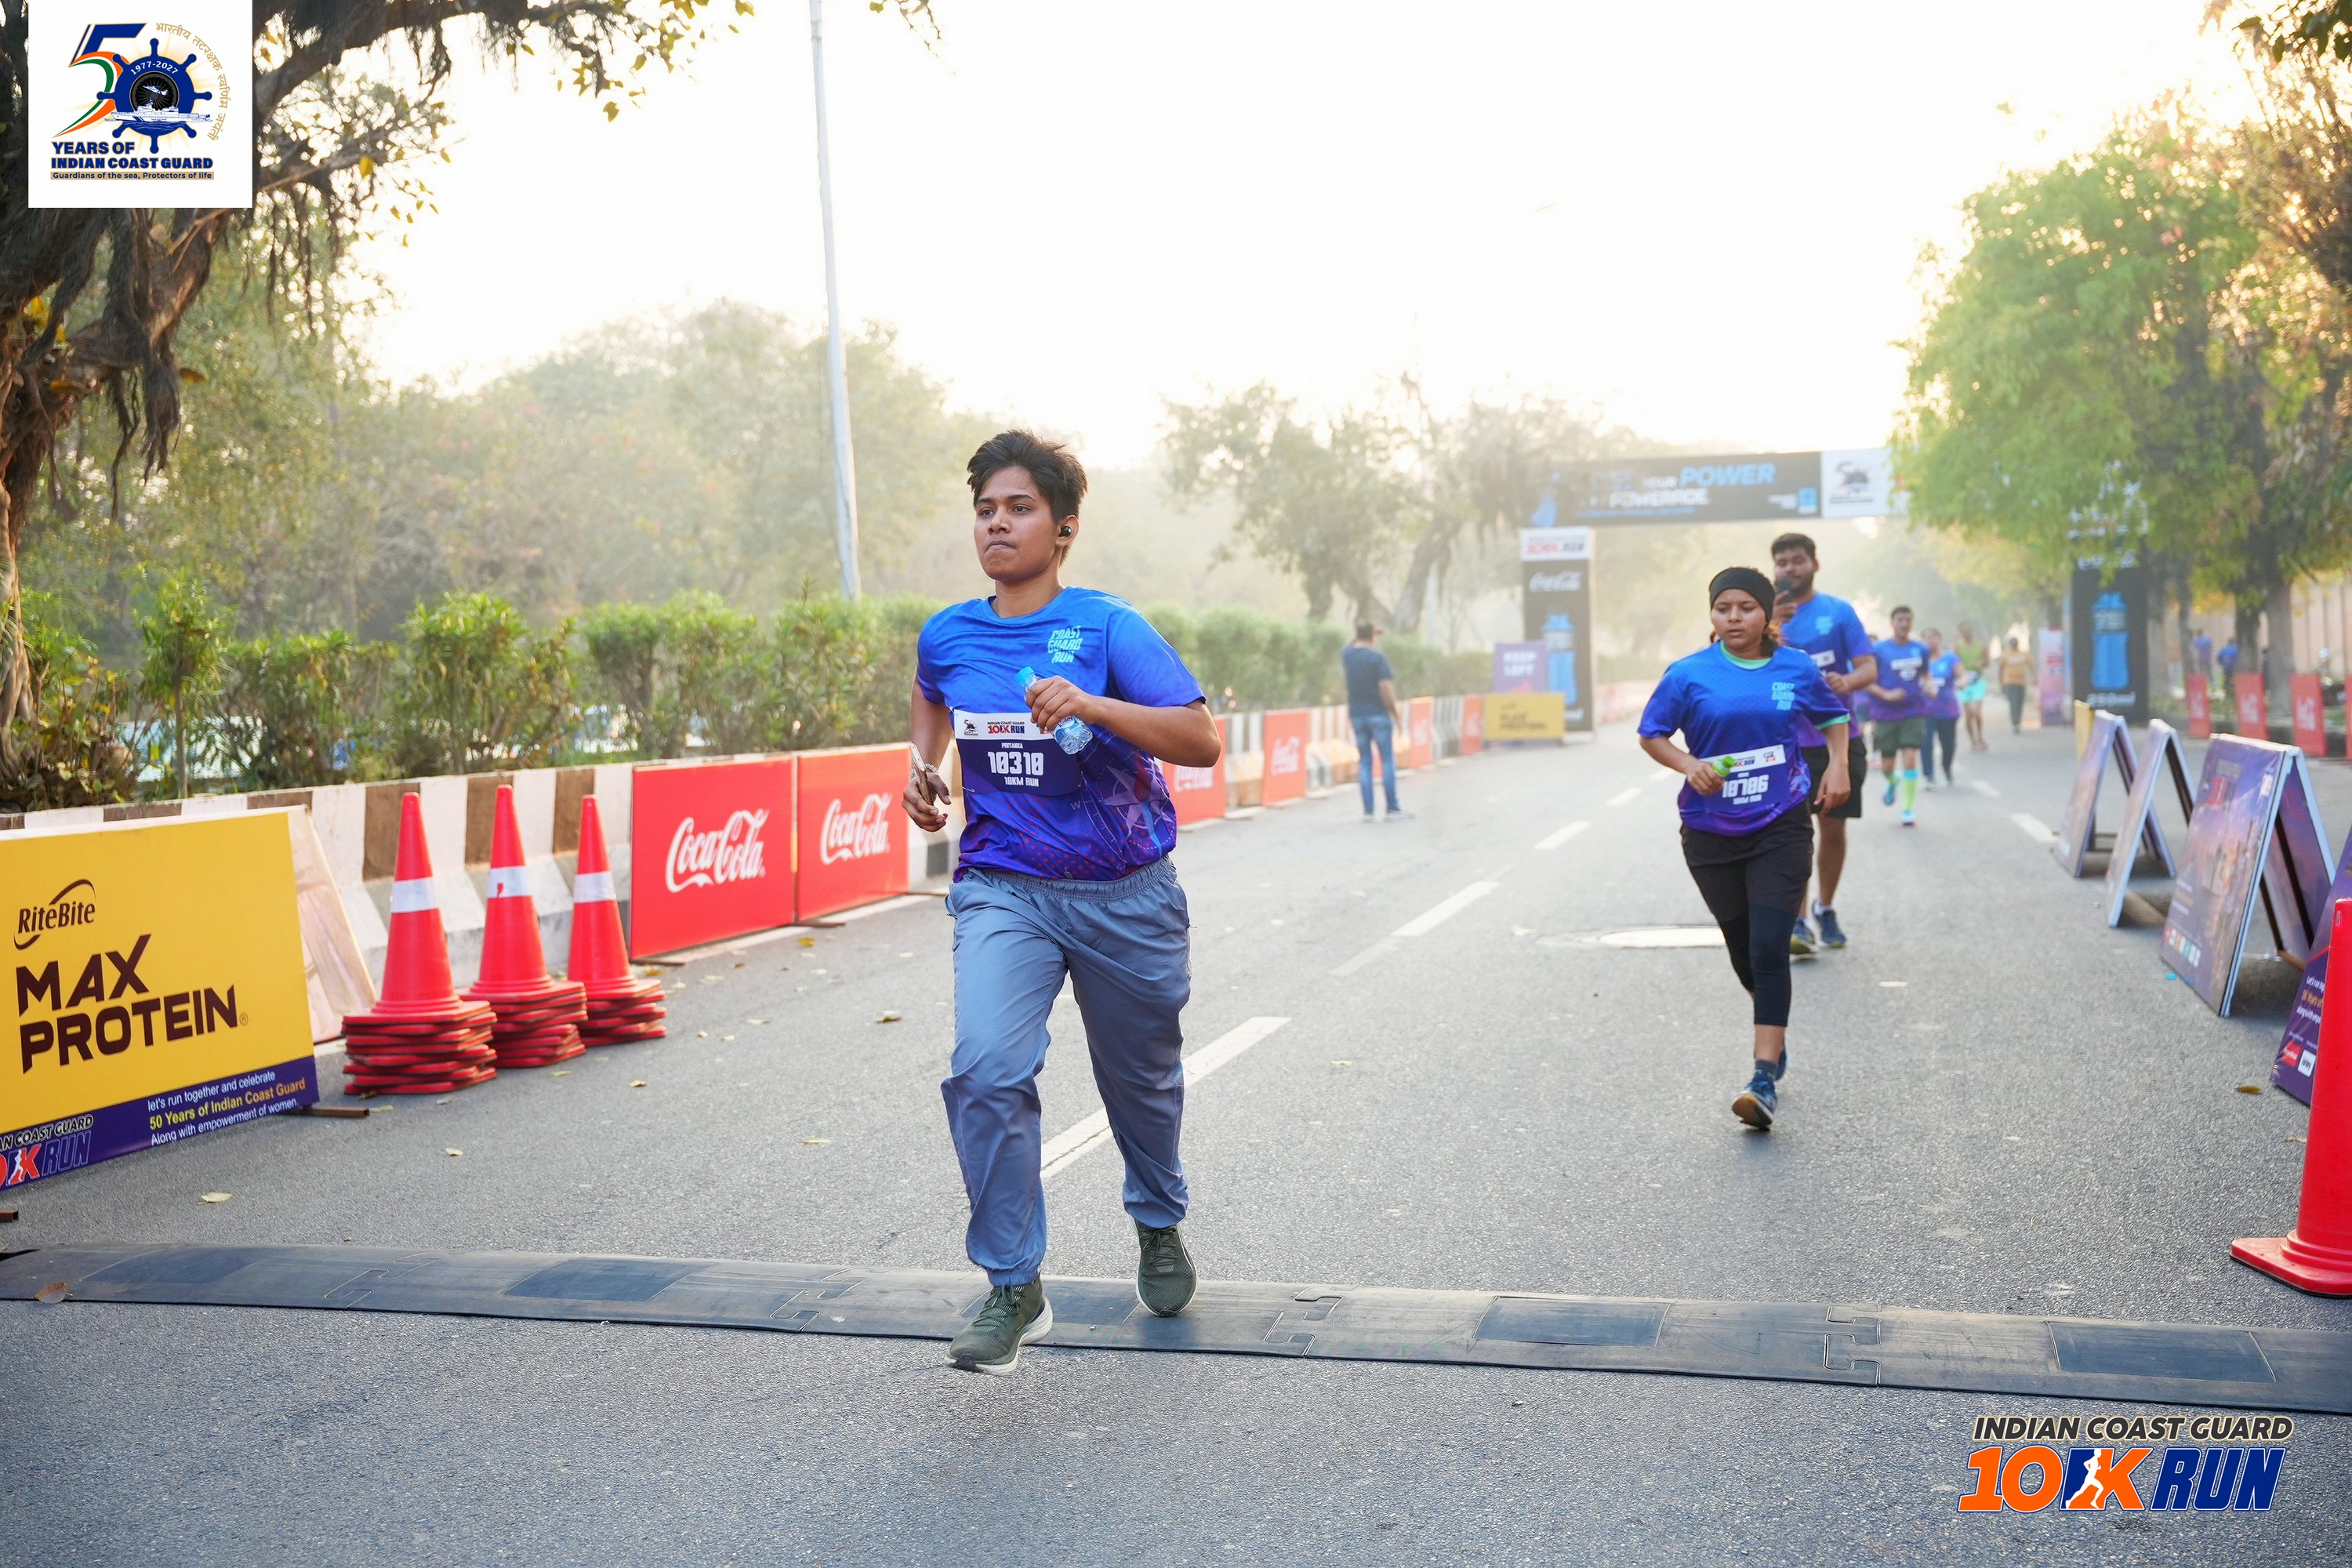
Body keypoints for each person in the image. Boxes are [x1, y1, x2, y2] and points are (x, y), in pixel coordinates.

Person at [903, 430, 1225, 1377]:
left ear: (1066, 527)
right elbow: (930, 693)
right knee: (985, 1067)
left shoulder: (1109, 626)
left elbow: (1200, 739)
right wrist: (923, 769)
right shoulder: (949, 632)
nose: (996, 525)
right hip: (1004, 885)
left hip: (1126, 892)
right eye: (985, 510)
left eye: (1020, 508)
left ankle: (1157, 1218)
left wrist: (1091, 704)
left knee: (1142, 1082)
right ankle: (1014, 1283)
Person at [1639, 567, 1851, 1131]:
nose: (1734, 618)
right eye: (1723, 608)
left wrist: (1838, 765)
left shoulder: (1796, 668)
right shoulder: (1688, 674)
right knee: (1743, 952)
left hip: (1781, 823)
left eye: (1746, 608)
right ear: (1712, 615)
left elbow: (1833, 716)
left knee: (1768, 947)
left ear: (1766, 614)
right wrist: (1689, 764)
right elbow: (1652, 733)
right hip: (1710, 831)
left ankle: (1762, 1078)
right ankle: (1773, 1031)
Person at [1767, 533, 1875, 954]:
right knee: (1793, 835)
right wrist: (1772, 623)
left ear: (1815, 564)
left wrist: (1846, 682)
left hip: (1837, 741)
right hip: (1784, 744)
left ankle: (1825, 907)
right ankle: (1798, 921)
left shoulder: (1838, 612)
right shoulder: (1763, 617)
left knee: (1832, 828)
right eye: (1782, 562)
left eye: (1797, 560)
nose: (1790, 568)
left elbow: (1868, 668)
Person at [1867, 607, 1930, 827]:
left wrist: (1929, 686)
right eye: (1900, 620)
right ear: (1892, 622)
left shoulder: (1920, 649)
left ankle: (1908, 810)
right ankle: (1893, 781)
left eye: (1908, 620)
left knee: (1910, 757)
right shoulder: (1878, 650)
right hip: (1885, 714)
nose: (1904, 624)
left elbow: (1926, 673)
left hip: (1913, 712)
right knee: (1887, 766)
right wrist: (1885, 694)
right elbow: (1867, 680)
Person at [1341, 621, 1409, 821]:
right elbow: (1385, 688)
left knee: (1365, 762)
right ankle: (1392, 808)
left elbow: (1350, 645)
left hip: (1357, 715)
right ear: (1373, 636)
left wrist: (1364, 633)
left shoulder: (1348, 656)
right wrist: (1395, 714)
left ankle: (1368, 811)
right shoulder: (1377, 658)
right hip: (1378, 714)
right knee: (1387, 760)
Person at [1920, 627, 1962, 787]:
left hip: (1947, 710)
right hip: (1926, 710)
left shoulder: (1950, 658)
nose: (1930, 640)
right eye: (1927, 638)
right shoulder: (1920, 661)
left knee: (1948, 745)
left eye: (1933, 637)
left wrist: (1963, 682)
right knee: (1926, 744)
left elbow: (1962, 676)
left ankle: (1947, 767)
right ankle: (1929, 776)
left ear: (1939, 639)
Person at [1954, 620, 1990, 753]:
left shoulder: (1981, 645)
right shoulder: (1958, 646)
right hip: (1964, 682)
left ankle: (1980, 737)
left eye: (1969, 629)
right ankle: (1973, 741)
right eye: (1964, 630)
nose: (1967, 632)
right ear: (1961, 632)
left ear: (1972, 630)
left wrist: (1981, 664)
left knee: (1977, 713)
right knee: (1969, 715)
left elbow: (1988, 662)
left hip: (1977, 682)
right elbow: (1953, 662)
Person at [1998, 636, 2033, 735]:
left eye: (2015, 644)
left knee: (2020, 703)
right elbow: (2001, 669)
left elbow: (2030, 665)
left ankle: (2018, 722)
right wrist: (2001, 683)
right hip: (2010, 682)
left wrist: (2034, 676)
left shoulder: (2023, 654)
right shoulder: (2006, 655)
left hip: (2021, 682)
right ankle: (2015, 723)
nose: (2014, 645)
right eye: (2013, 644)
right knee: (2014, 703)